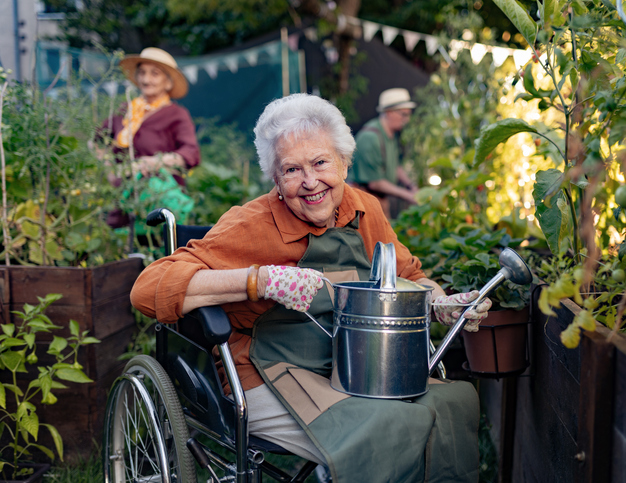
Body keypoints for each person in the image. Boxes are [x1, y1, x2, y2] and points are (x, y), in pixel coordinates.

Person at [130, 93, 490, 482]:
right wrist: (260, 280)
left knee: (454, 400)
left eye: (321, 162)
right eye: (292, 170)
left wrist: (441, 302)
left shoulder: (364, 208)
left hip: (359, 363)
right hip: (271, 368)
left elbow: (410, 275)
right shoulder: (251, 225)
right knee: (388, 424)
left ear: (345, 163)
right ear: (276, 181)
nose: (310, 182)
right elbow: (148, 288)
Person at [97, 47, 200, 229]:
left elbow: (190, 153)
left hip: (157, 200)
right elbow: (97, 140)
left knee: (158, 248)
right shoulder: (126, 110)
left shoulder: (176, 114)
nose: (146, 79)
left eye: (155, 74)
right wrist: (110, 172)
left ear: (167, 82)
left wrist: (152, 163)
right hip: (124, 200)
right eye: (142, 73)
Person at [347, 88, 419, 219]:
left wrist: (411, 186)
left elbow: (395, 166)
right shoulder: (370, 137)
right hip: (363, 202)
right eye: (403, 114)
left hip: (379, 200)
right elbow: (374, 182)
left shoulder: (391, 134)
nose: (407, 120)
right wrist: (408, 195)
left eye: (409, 114)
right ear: (389, 112)